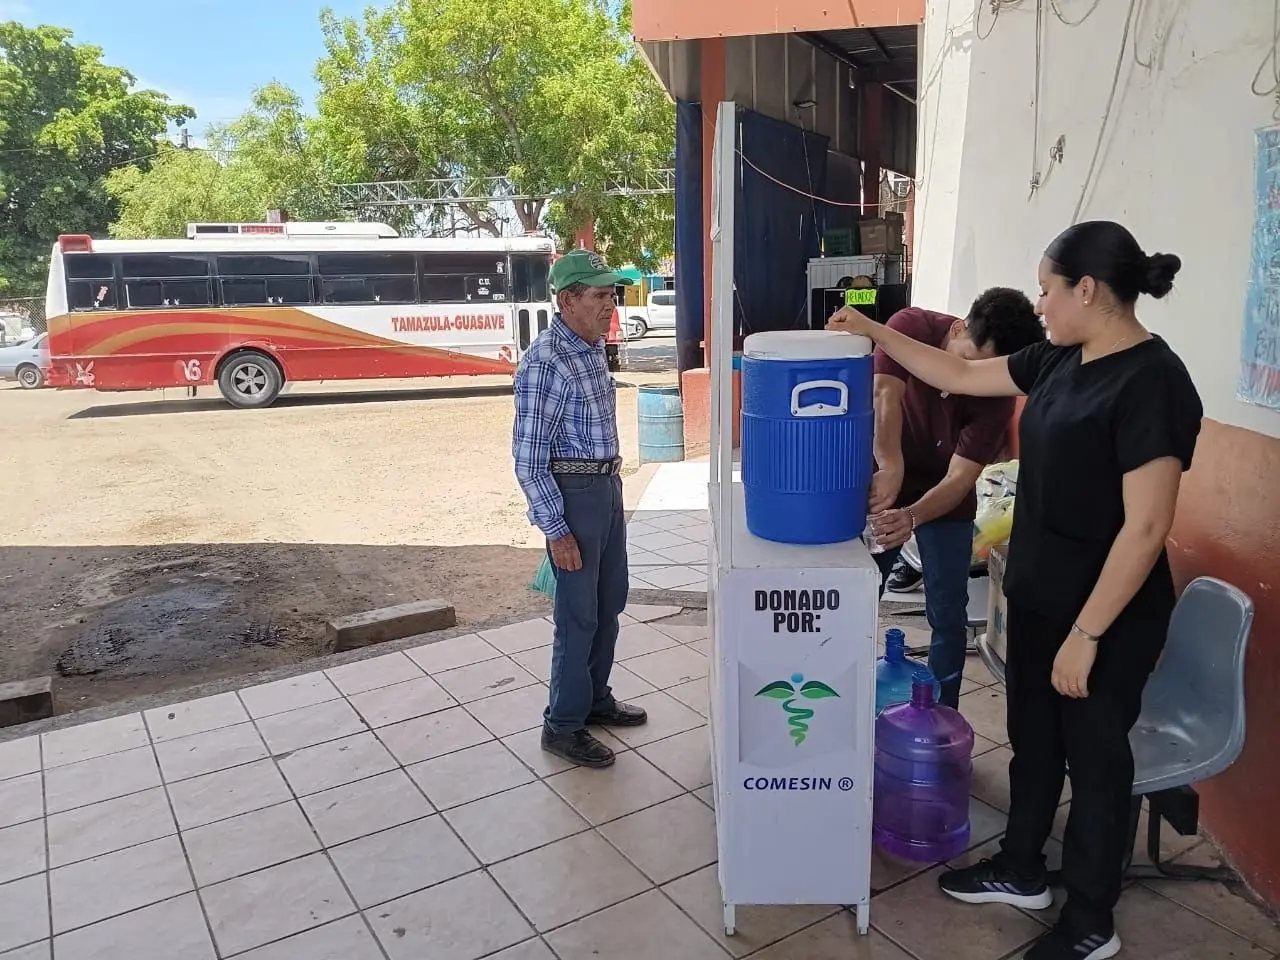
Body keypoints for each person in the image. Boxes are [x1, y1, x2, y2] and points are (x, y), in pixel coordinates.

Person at [829, 221, 1203, 960]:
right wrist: (872, 326)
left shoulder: (1152, 382)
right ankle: (1022, 868)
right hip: (1038, 597)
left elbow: (1148, 525)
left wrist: (1088, 633)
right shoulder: (1062, 359)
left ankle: (1092, 920)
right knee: (1034, 742)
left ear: (1087, 290)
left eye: (1047, 287)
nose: (1041, 301)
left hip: (1104, 615)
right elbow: (958, 375)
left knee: (1096, 761)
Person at [865, 291, 1045, 708]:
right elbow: (884, 396)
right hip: (885, 476)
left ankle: (943, 713)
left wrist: (912, 515)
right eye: (969, 363)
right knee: (859, 593)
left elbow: (961, 477)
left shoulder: (997, 394)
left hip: (945, 499)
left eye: (987, 371)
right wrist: (890, 466)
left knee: (948, 615)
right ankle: (845, 696)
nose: (972, 379)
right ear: (958, 328)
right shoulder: (912, 328)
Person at [512, 249, 648, 769]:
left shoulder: (590, 347)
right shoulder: (545, 362)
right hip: (573, 496)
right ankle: (563, 724)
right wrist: (556, 529)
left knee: (610, 600)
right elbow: (529, 460)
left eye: (612, 294)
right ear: (567, 300)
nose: (609, 304)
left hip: (605, 488)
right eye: (599, 295)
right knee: (577, 617)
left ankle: (594, 698)